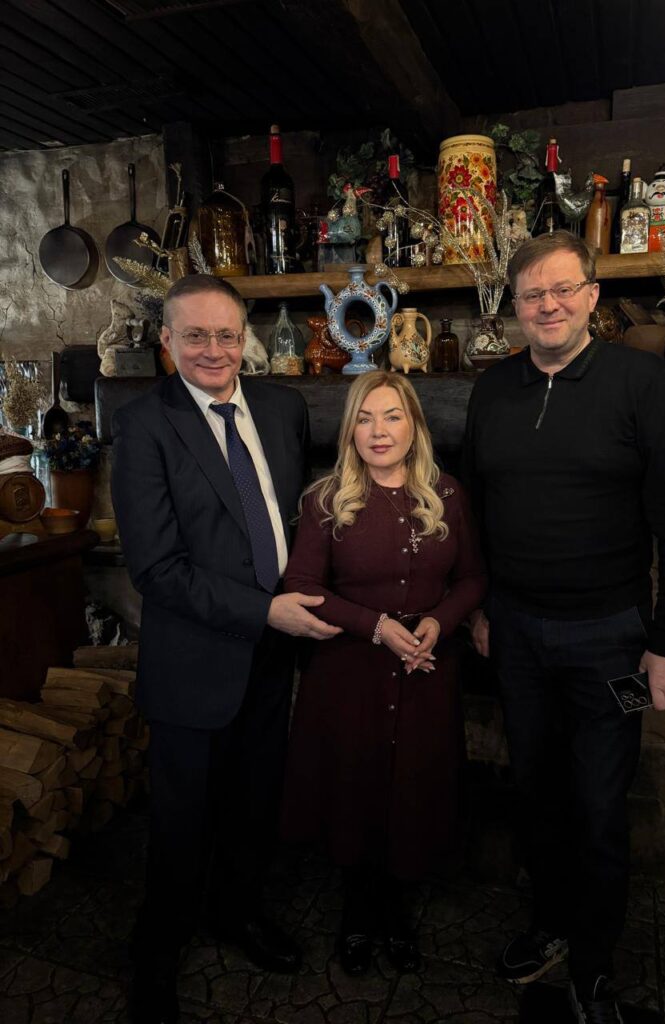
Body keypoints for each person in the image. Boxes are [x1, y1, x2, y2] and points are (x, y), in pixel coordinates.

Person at [462, 232, 665, 1024]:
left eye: (563, 289)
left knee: (601, 807)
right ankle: (551, 926)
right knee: (535, 793)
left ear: (593, 297)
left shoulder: (642, 383)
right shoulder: (492, 390)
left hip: (614, 640)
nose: (549, 305)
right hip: (517, 636)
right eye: (533, 293)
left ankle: (595, 966)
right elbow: (475, 509)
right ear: (514, 304)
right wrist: (480, 607)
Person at [111, 274, 341, 1024]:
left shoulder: (281, 407)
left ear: (246, 339)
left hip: (272, 654)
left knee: (253, 803)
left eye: (226, 335)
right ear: (166, 340)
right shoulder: (144, 426)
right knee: (180, 824)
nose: (213, 350)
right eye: (195, 336)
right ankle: (158, 952)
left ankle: (237, 914)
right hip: (194, 662)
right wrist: (265, 610)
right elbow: (156, 569)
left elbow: (290, 518)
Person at [280, 370, 487, 976]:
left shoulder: (447, 494)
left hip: (426, 671)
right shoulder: (326, 500)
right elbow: (301, 585)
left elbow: (473, 577)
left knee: (412, 788)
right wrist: (374, 627)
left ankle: (395, 906)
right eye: (365, 418)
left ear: (414, 425)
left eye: (392, 416)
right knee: (354, 787)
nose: (379, 430)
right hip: (350, 676)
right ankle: (357, 907)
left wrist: (441, 621)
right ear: (350, 430)